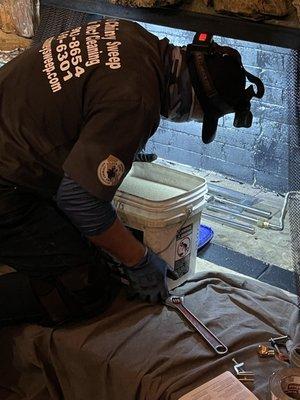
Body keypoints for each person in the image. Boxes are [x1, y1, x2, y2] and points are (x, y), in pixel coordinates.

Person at [0, 19, 264, 327]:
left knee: (91, 246)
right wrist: (138, 259)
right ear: (193, 98)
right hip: (9, 182)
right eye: (194, 116)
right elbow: (80, 201)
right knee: (84, 286)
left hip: (13, 144)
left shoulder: (133, 37)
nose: (182, 119)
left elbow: (85, 98)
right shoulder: (137, 98)